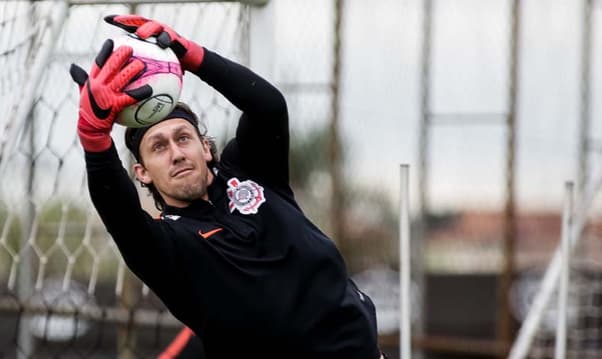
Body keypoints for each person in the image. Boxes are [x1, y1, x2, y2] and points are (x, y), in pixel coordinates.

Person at [70, 15, 384, 359]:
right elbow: (120, 214)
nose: (176, 153)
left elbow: (269, 107)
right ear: (142, 173)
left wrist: (190, 55)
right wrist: (94, 138)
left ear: (205, 147)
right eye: (159, 147)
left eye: (183, 138)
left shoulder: (252, 170)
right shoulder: (168, 246)